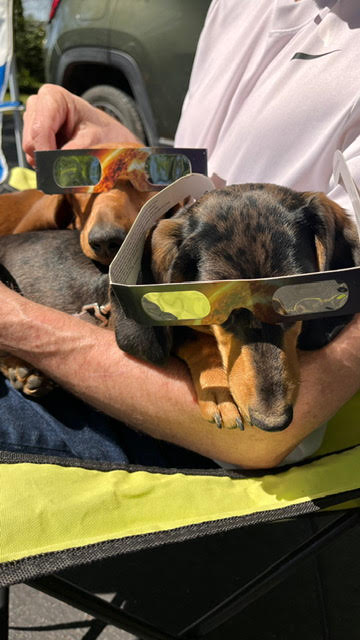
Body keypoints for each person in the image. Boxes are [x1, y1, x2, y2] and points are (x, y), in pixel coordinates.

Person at [0, 0, 359, 469]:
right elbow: (204, 203)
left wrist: (15, 324)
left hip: (176, 413)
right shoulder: (238, 4)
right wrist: (126, 157)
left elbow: (264, 436)